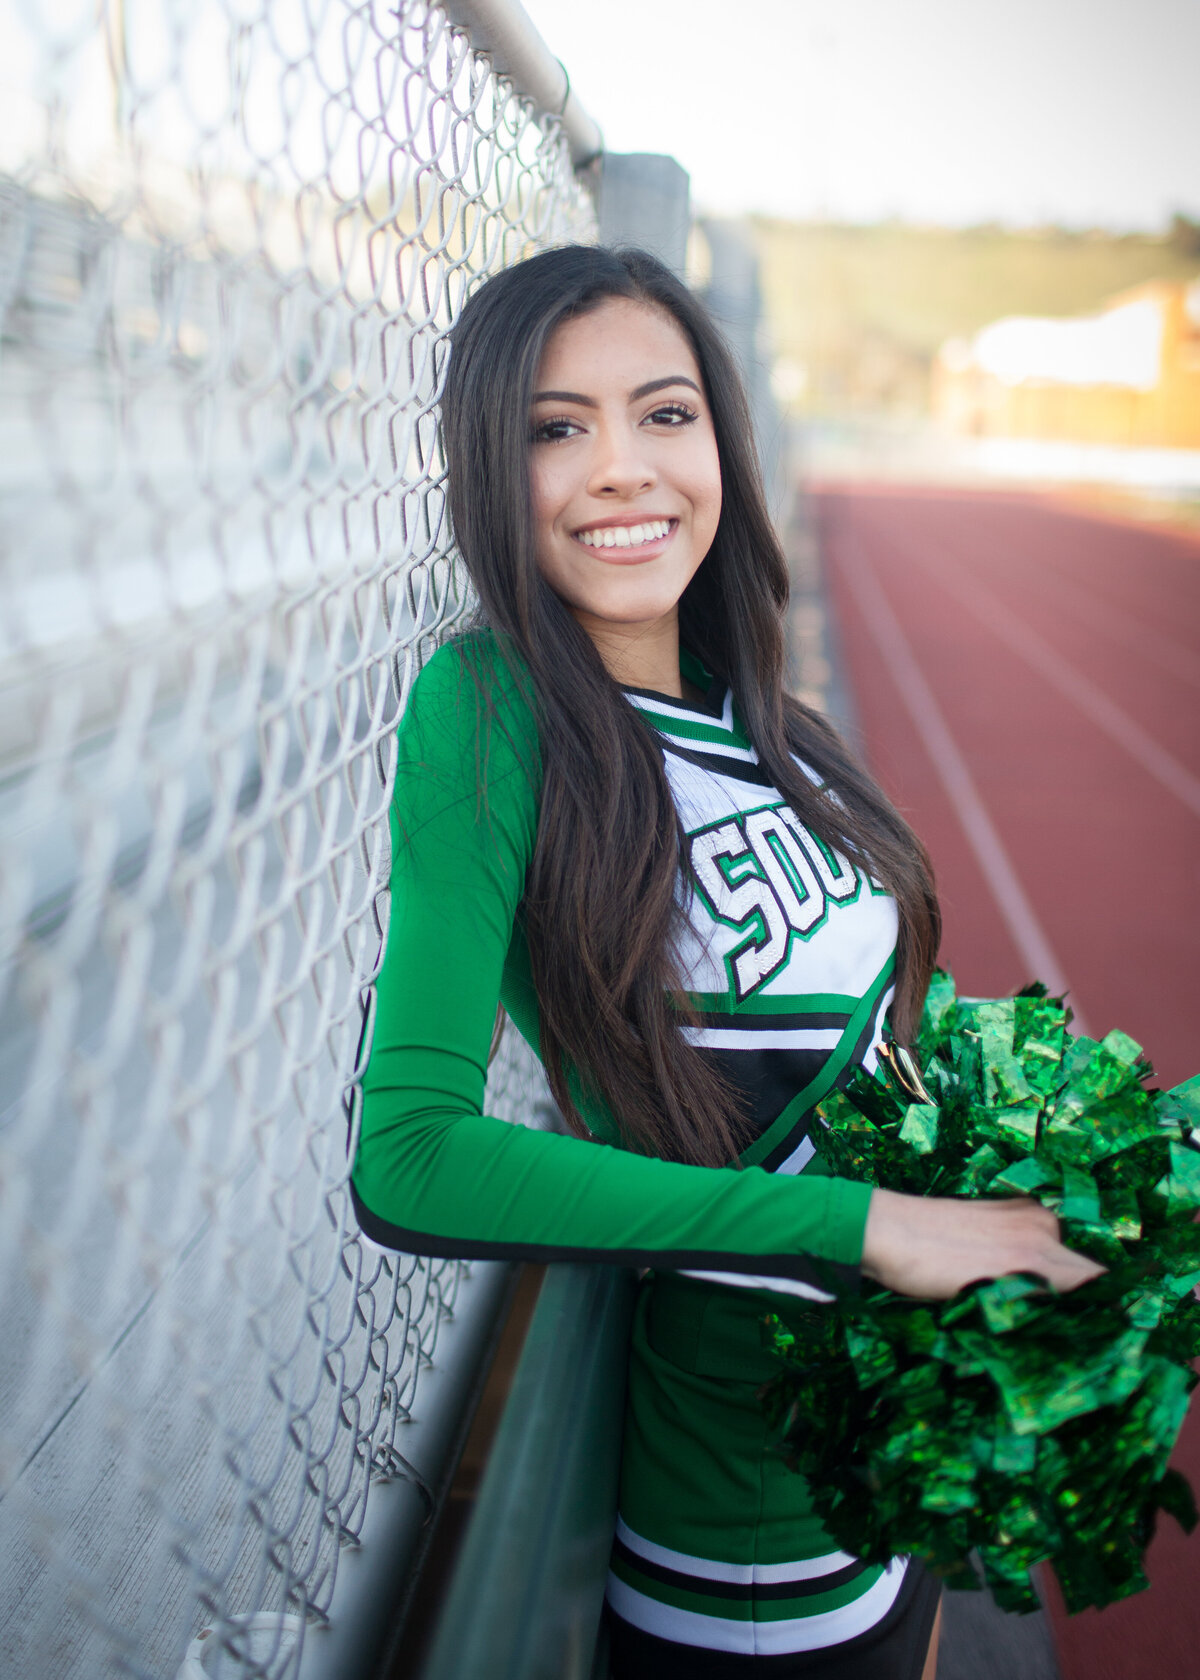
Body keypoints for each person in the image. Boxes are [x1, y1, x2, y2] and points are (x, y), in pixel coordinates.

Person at [350, 245, 1102, 1679]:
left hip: (888, 1458)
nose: (623, 468)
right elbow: (414, 1157)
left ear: (722, 441)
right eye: (554, 431)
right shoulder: (493, 714)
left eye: (664, 413)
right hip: (744, 1552)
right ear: (485, 476)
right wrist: (865, 1226)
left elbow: (883, 1041)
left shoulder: (774, 725)